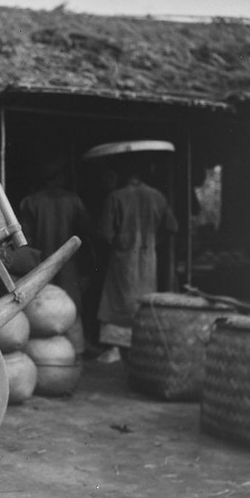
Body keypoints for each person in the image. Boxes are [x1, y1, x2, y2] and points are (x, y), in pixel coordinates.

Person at [96, 155, 178, 363]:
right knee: (143, 299)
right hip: (148, 256)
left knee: (117, 300)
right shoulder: (157, 196)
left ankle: (115, 347)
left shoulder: (116, 196)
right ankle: (141, 345)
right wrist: (154, 240)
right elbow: (172, 227)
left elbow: (105, 233)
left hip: (123, 258)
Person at [18, 160, 94, 354]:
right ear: (59, 178)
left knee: (41, 307)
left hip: (40, 261)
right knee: (71, 304)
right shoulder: (74, 200)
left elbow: (24, 239)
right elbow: (85, 231)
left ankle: (41, 355)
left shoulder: (30, 202)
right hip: (69, 261)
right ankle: (75, 350)